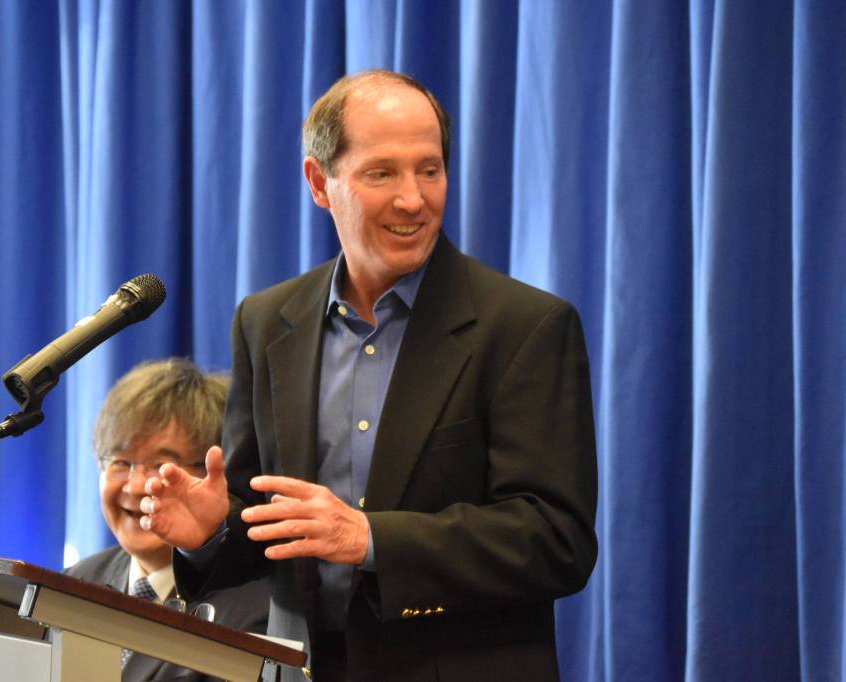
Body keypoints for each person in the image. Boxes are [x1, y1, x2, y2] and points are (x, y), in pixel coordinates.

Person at [140, 70, 598, 682]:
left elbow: (555, 541)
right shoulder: (265, 320)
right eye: (382, 173)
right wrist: (210, 532)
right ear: (318, 183)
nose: (414, 198)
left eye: (429, 170)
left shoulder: (526, 326)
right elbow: (264, 521)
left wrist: (371, 539)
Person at [66, 358, 269, 681]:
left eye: (161, 465)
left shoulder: (256, 611)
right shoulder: (73, 585)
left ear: (217, 478)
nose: (134, 486)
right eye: (120, 462)